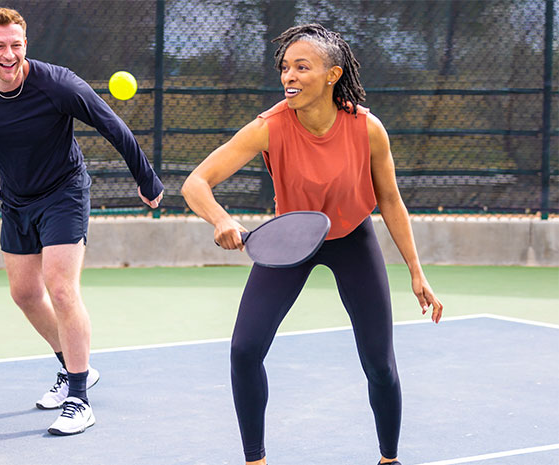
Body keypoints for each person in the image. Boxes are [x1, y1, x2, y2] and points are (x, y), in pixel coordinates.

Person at [181, 24, 443, 465]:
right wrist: (221, 218)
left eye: (302, 67)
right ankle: (255, 460)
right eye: (285, 67)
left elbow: (390, 200)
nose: (290, 76)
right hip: (290, 240)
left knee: (380, 364)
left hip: (352, 238)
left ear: (332, 75)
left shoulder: (368, 129)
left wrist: (416, 271)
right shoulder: (269, 126)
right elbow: (196, 183)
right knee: (244, 351)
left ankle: (389, 459)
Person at [0, 7, 163, 436]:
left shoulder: (58, 85)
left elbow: (111, 125)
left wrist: (146, 178)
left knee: (61, 288)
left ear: (25, 45)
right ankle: (74, 369)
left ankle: (79, 400)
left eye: (16, 45)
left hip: (63, 193)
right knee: (24, 294)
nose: (9, 54)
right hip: (16, 199)